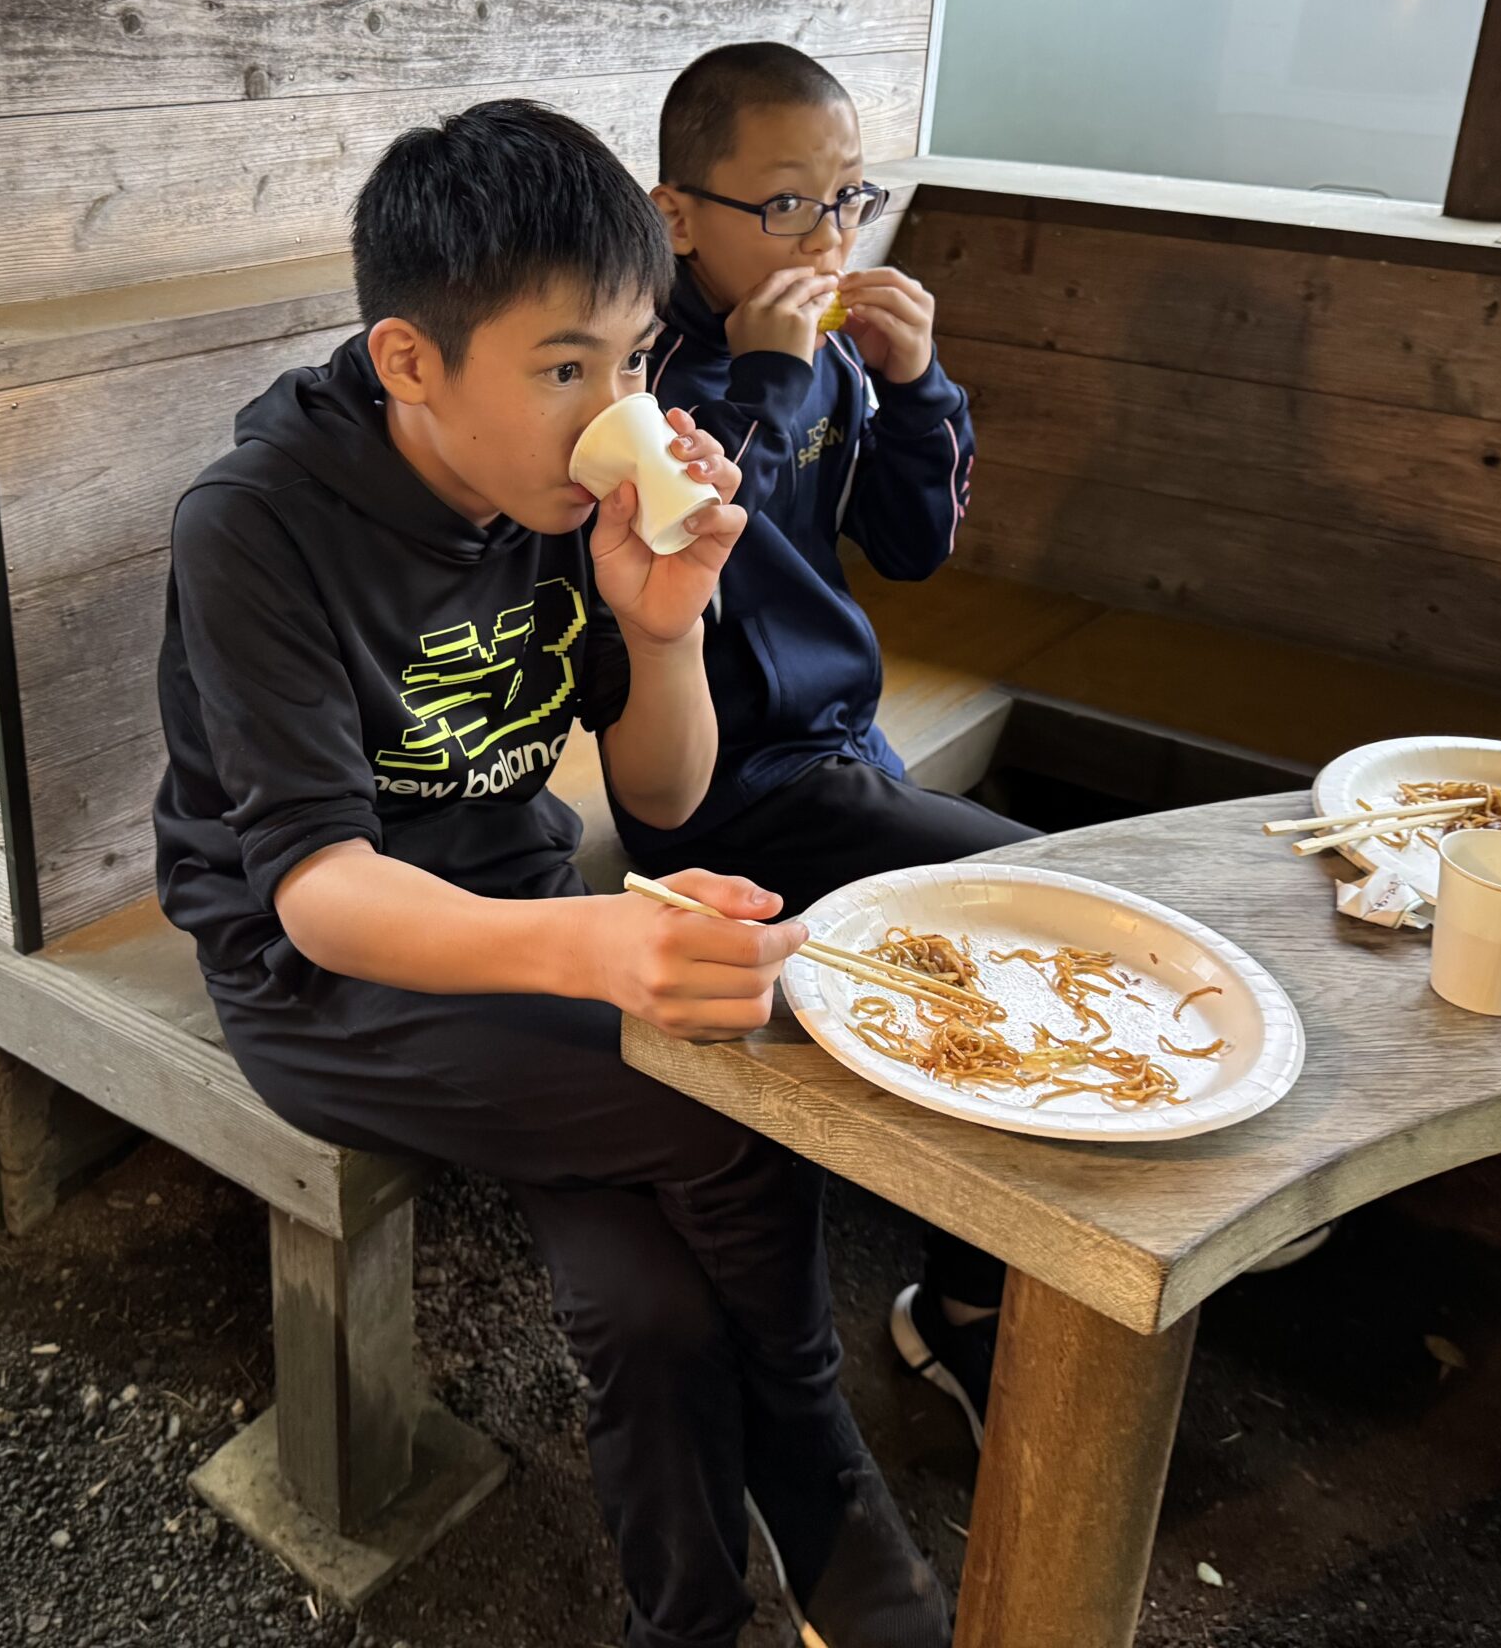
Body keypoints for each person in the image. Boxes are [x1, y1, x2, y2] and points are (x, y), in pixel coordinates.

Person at [152, 98, 951, 1648]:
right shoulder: (255, 526)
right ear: (410, 361)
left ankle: (689, 1619)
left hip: (515, 920)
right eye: (565, 368)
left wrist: (666, 625)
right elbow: (318, 889)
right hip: (323, 981)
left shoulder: (568, 506)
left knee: (649, 1303)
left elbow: (663, 795)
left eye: (638, 360)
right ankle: (819, 1465)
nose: (615, 408)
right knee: (728, 1103)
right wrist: (597, 955)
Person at [630, 42, 1034, 1445]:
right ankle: (973, 1310)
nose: (827, 240)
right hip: (728, 791)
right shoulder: (648, 373)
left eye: (849, 199)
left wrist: (919, 389)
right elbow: (690, 530)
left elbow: (912, 551)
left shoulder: (833, 357)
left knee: (1022, 911)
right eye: (787, 204)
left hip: (842, 748)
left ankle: (968, 1288)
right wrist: (773, 374)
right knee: (1034, 894)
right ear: (680, 215)